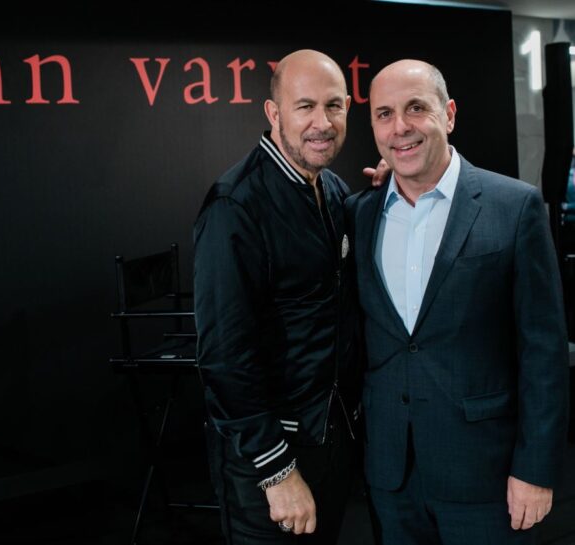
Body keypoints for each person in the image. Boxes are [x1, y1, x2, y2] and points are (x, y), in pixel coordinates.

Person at [347, 59, 570, 544]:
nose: (399, 127)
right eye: (384, 114)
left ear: (448, 114)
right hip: (391, 478)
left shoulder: (514, 207)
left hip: (488, 477)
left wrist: (536, 468)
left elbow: (544, 352)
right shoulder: (359, 214)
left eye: (415, 108)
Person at [193, 49, 362, 544]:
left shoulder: (333, 190)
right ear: (274, 113)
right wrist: (277, 471)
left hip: (329, 442)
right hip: (270, 461)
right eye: (304, 106)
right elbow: (224, 356)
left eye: (333, 106)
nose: (321, 123)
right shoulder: (235, 204)